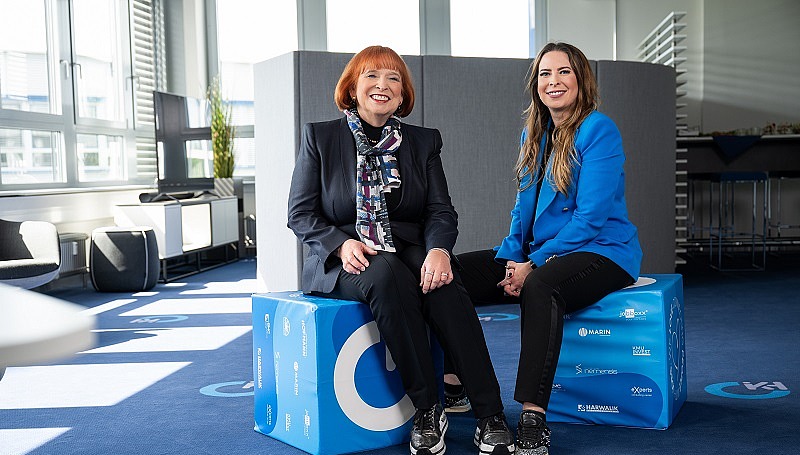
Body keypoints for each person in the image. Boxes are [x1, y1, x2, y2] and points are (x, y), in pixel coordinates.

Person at [287, 45, 515, 455]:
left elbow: (440, 210)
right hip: (346, 254)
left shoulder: (422, 142)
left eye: (394, 78)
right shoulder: (320, 137)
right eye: (372, 75)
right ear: (352, 88)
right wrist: (339, 244)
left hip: (409, 245)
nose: (383, 85)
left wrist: (439, 250)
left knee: (444, 282)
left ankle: (490, 414)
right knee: (386, 275)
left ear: (403, 94)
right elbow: (301, 214)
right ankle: (428, 408)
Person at [444, 42, 643, 455]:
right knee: (450, 273)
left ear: (581, 79)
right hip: (541, 251)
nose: (554, 81)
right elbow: (522, 209)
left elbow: (590, 219)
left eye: (564, 72)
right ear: (536, 84)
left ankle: (533, 417)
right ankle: (454, 382)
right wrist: (513, 257)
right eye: (545, 74)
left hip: (603, 250)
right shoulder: (534, 133)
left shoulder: (598, 129)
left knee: (541, 287)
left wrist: (533, 264)